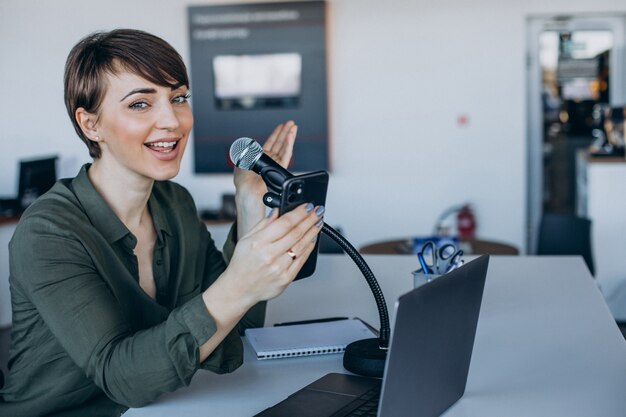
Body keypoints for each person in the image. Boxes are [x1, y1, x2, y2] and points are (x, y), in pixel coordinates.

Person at [0, 29, 324, 416]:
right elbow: (123, 379)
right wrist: (240, 283)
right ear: (91, 125)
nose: (172, 120)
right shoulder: (49, 232)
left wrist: (249, 203)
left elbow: (236, 329)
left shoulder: (174, 204)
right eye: (140, 104)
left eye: (179, 98)